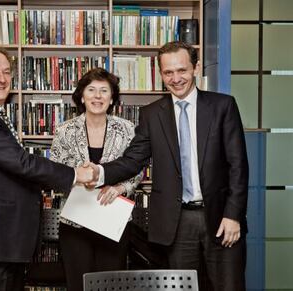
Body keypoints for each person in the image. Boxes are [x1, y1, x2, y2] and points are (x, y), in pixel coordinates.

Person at [89, 41, 249, 291]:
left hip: (220, 218)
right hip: (176, 223)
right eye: (168, 72)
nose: (176, 78)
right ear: (161, 74)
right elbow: (133, 160)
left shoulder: (223, 106)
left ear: (195, 68)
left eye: (182, 70)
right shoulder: (152, 114)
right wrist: (99, 172)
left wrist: (233, 214)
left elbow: (238, 165)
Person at [0, 45, 94, 291]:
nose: (2, 78)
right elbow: (21, 163)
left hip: (2, 238)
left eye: (6, 72)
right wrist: (74, 174)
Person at [50, 68, 143, 291]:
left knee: (111, 285)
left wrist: (121, 187)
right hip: (75, 222)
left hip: (112, 220)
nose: (97, 96)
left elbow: (138, 168)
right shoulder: (65, 130)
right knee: (78, 284)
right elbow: (53, 171)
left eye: (104, 91)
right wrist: (76, 177)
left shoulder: (128, 129)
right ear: (82, 96)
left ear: (112, 98)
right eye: (91, 90)